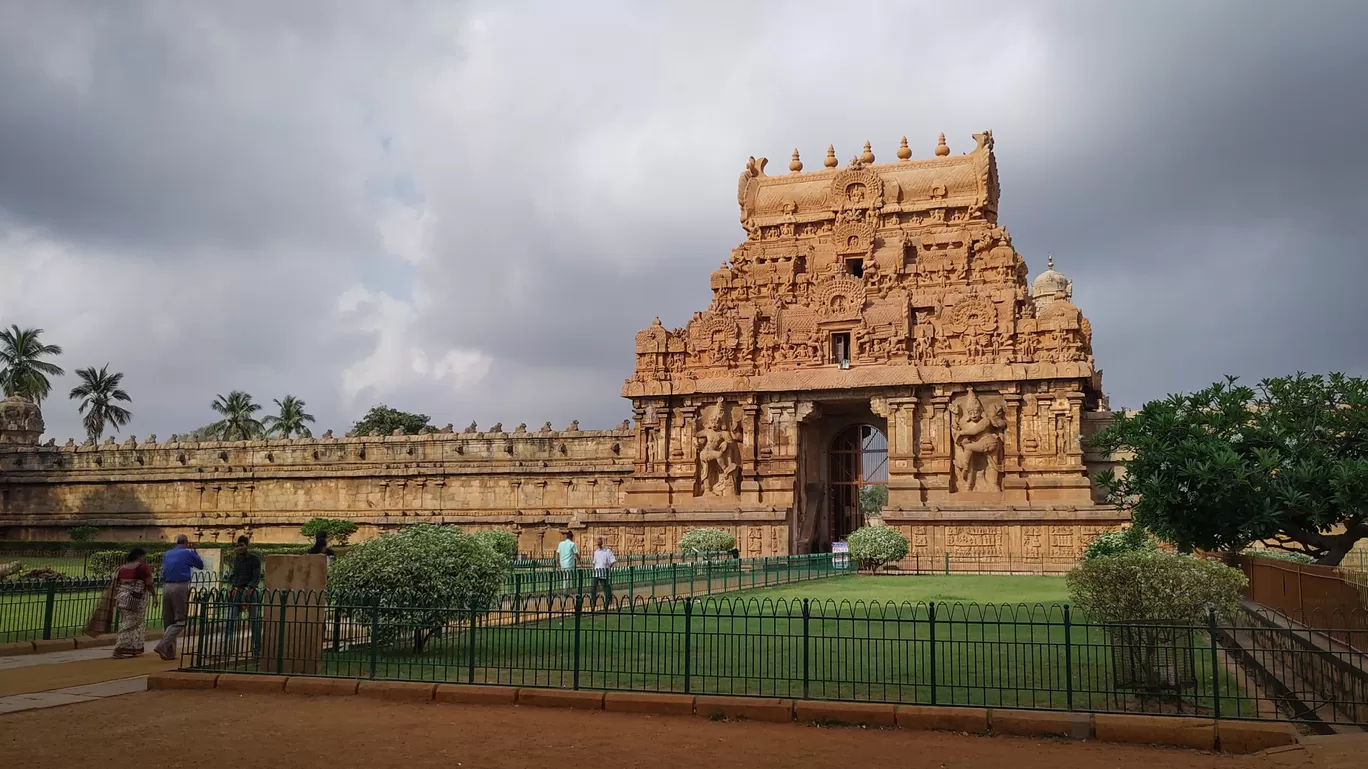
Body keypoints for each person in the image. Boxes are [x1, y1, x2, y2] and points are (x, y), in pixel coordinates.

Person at [85, 548, 156, 658]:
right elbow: (149, 583)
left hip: (121, 598)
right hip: (135, 600)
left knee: (130, 622)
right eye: (143, 556)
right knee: (130, 624)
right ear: (139, 557)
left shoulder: (121, 568)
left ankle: (132, 648)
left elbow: (117, 583)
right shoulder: (143, 568)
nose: (144, 559)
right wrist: (155, 596)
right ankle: (119, 649)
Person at [154, 534, 203, 661]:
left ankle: (170, 653)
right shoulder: (187, 552)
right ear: (186, 542)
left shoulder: (168, 553)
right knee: (180, 620)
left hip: (166, 586)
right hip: (180, 586)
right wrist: (195, 551)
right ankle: (162, 645)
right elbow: (200, 565)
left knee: (168, 620)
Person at [225, 535, 262, 657]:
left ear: (247, 545)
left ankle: (256, 649)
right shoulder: (236, 560)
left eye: (242, 545)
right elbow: (235, 575)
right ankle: (225, 649)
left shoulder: (254, 559)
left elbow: (256, 577)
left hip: (250, 592)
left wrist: (249, 588)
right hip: (237, 592)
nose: (239, 548)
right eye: (237, 546)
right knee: (230, 620)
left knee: (254, 622)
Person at [590, 537, 616, 608]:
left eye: (600, 543)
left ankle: (608, 600)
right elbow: (594, 562)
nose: (599, 544)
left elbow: (613, 561)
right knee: (593, 587)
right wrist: (593, 568)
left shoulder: (608, 551)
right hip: (596, 572)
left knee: (606, 587)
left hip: (604, 572)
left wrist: (609, 568)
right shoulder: (596, 552)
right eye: (598, 543)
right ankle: (593, 602)